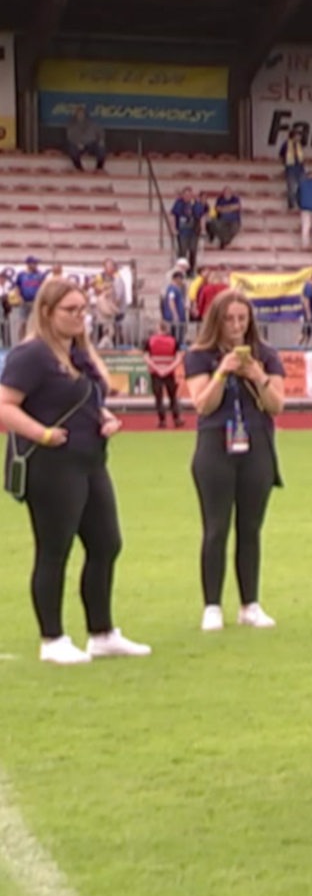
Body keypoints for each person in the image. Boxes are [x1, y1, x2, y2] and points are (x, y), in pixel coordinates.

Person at [0, 279, 141, 664]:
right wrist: (41, 433)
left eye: (84, 310)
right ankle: (53, 638)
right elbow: (6, 405)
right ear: (47, 312)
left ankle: (102, 632)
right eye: (72, 310)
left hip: (90, 458)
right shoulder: (32, 355)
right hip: (51, 464)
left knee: (106, 543)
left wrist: (105, 417)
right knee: (54, 550)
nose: (81, 317)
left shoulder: (77, 353)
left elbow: (88, 399)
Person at [184, 290, 287, 633]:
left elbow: (276, 405)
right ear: (216, 321)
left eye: (242, 319)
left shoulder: (266, 356)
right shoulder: (200, 356)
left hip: (257, 444)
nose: (236, 326)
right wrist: (222, 373)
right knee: (216, 528)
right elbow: (202, 404)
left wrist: (257, 377)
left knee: (251, 529)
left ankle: (250, 603)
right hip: (215, 445)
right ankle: (212, 605)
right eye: (229, 319)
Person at [145, 326, 183, 428]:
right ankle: (177, 419)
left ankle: (162, 421)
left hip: (156, 373)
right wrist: (168, 369)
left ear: (158, 330)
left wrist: (157, 369)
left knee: (159, 397)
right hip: (169, 373)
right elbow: (178, 358)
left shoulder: (150, 341)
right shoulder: (173, 341)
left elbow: (146, 357)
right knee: (173, 397)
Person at [172, 188, 209, 271]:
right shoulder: (179, 203)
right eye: (185, 195)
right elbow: (174, 215)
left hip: (194, 231)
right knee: (182, 251)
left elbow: (202, 216)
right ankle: (181, 269)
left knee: (193, 250)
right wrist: (174, 228)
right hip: (182, 231)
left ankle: (191, 270)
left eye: (189, 195)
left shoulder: (196, 204)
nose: (187, 197)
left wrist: (203, 229)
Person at [65, 108, 108, 172]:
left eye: (82, 114)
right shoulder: (71, 125)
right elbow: (70, 136)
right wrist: (77, 143)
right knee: (72, 149)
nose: (80, 116)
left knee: (101, 148)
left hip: (91, 144)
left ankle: (99, 168)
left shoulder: (93, 124)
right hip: (79, 145)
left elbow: (101, 132)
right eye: (78, 114)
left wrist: (101, 140)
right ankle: (79, 169)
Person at [162, 265, 191, 340]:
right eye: (181, 279)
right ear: (176, 279)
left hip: (179, 315)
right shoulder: (172, 289)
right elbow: (171, 301)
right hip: (174, 317)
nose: (182, 281)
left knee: (179, 333)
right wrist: (175, 314)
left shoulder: (177, 289)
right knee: (176, 334)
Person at [281, 125, 307, 207]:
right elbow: (281, 154)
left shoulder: (300, 144)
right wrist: (285, 164)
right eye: (297, 135)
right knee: (292, 187)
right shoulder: (286, 144)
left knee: (302, 186)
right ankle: (291, 204)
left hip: (300, 166)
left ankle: (301, 203)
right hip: (291, 167)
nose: (299, 137)